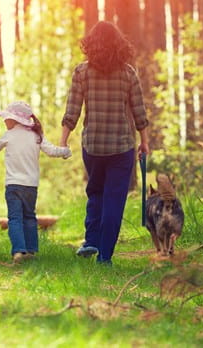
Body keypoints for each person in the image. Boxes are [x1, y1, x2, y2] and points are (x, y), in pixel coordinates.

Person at [60, 21, 150, 265]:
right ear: (119, 45)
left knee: (95, 192)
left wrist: (63, 142)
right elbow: (139, 111)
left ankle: (91, 240)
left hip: (93, 146)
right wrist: (145, 142)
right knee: (114, 200)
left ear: (91, 45)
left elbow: (72, 110)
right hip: (122, 147)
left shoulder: (82, 72)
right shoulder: (128, 73)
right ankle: (105, 256)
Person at [0, 101, 71, 262]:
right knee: (29, 217)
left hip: (13, 185)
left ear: (15, 120)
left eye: (6, 118)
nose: (4, 121)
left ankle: (18, 251)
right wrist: (65, 151)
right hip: (31, 186)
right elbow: (52, 151)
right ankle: (31, 251)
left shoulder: (9, 135)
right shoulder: (36, 135)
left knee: (15, 218)